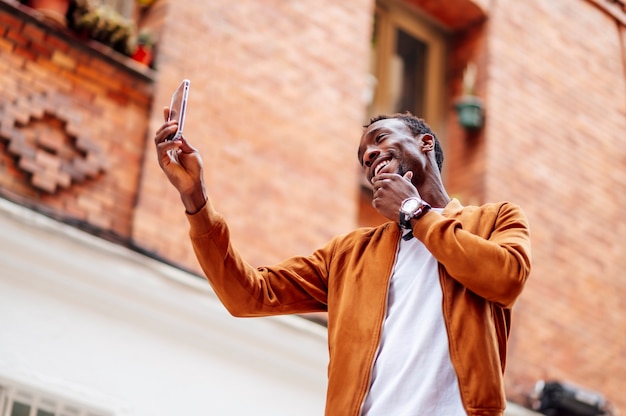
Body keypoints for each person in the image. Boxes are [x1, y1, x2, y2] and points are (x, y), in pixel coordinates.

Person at [154, 109, 532, 416]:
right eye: (363, 157)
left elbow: (505, 278)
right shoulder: (349, 255)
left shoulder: (495, 219)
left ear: (425, 143)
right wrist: (195, 197)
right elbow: (249, 295)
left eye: (380, 139)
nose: (368, 156)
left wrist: (414, 213)